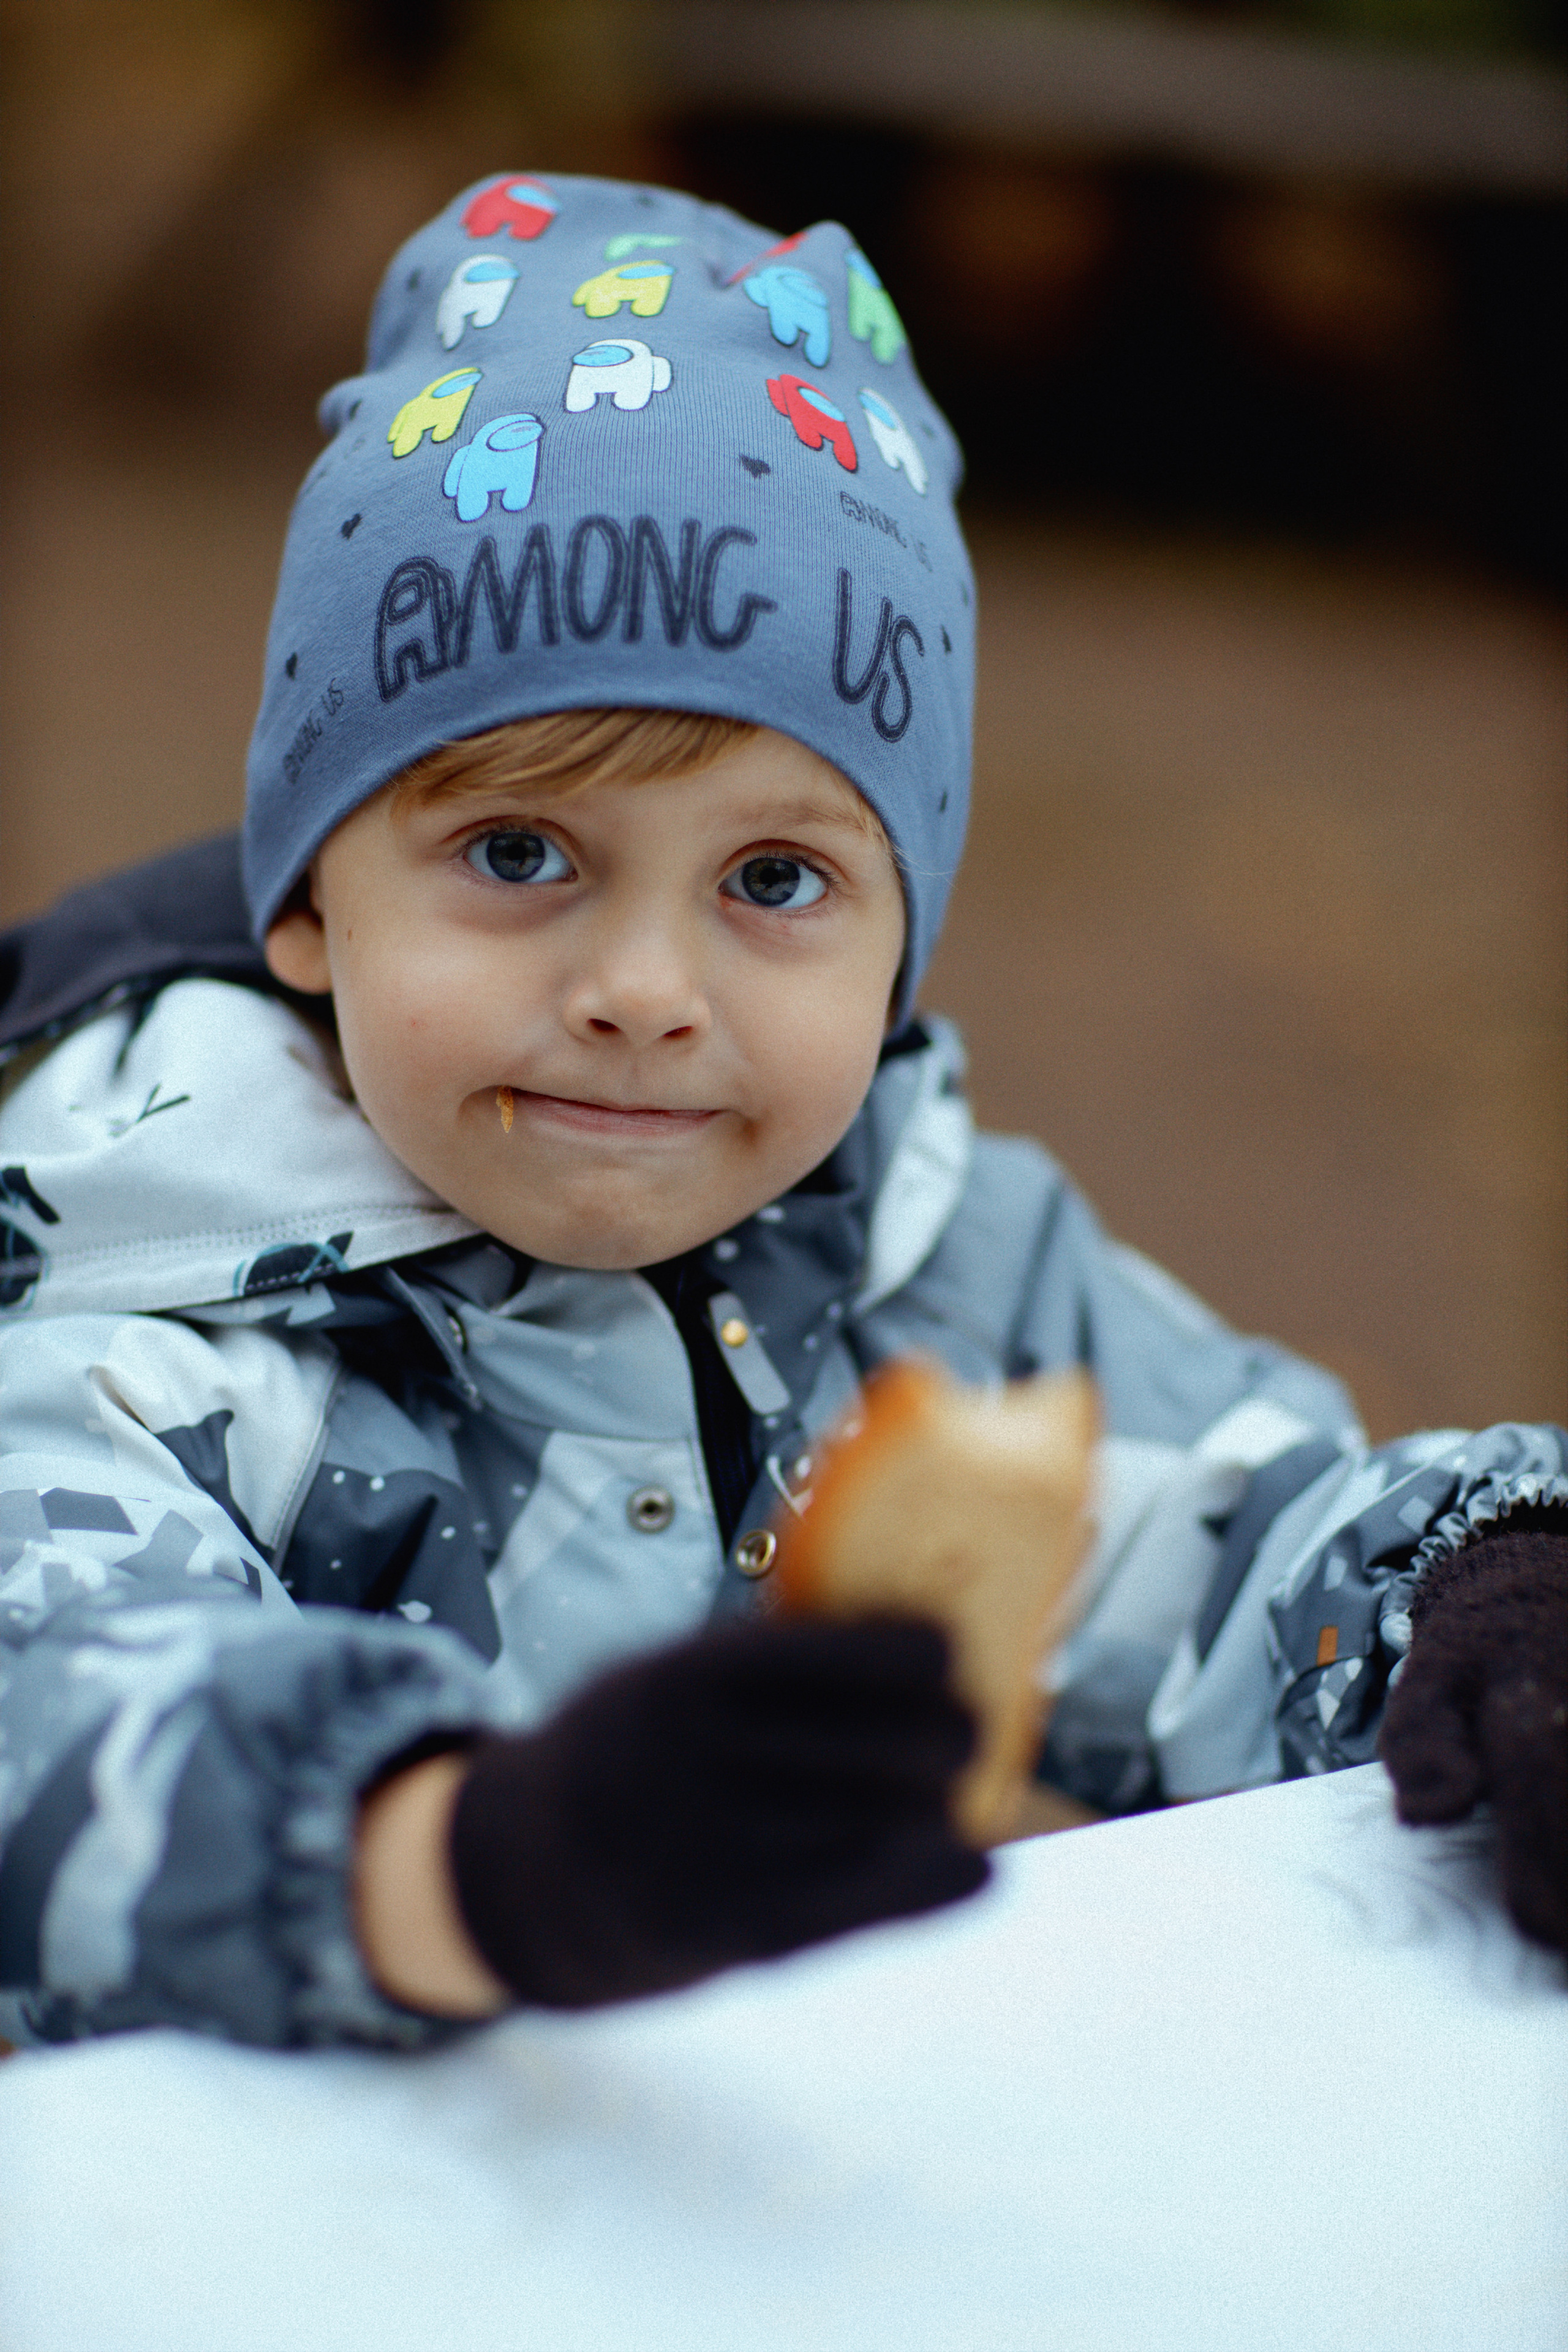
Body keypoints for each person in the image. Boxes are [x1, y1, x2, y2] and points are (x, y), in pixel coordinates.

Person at [0, 175, 1562, 2051]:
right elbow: (63, 1735)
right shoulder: (146, 1309)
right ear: (314, 905)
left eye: (774, 881)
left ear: (903, 938)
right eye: (519, 850)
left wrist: (1484, 1587)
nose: (645, 991)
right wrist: (478, 1864)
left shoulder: (931, 1260)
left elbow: (1238, 1539)